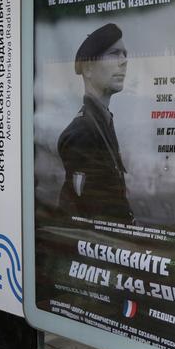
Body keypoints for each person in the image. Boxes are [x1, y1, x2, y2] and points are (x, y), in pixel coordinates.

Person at [58, 23, 134, 224]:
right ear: (89, 68)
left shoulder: (101, 122)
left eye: (124, 54)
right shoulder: (82, 133)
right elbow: (86, 212)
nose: (124, 61)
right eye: (114, 54)